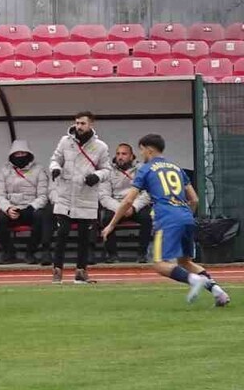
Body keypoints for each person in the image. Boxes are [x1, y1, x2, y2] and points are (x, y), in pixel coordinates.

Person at [100, 134, 230, 306]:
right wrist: (185, 216)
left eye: (142, 150)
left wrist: (111, 225)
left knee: (160, 264)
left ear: (148, 149)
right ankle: (219, 292)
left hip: (167, 218)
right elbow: (194, 199)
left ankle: (194, 280)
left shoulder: (146, 169)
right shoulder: (176, 168)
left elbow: (128, 201)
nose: (141, 154)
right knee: (185, 262)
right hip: (186, 216)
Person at [49, 111, 111, 284]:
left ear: (91, 124)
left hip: (86, 194)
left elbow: (107, 169)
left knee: (84, 237)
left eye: (83, 123)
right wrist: (55, 168)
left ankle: (81, 272)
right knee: (62, 234)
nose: (79, 126)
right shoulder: (65, 141)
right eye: (77, 123)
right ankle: (57, 270)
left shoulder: (101, 146)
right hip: (66, 194)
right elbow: (55, 159)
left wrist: (97, 176)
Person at [0, 139, 51, 264]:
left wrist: (31, 208)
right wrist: (8, 208)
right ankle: (9, 253)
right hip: (13, 209)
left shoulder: (39, 170)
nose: (20, 156)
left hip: (31, 209)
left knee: (41, 216)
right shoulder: (5, 170)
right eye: (17, 154)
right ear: (12, 155)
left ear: (28, 154)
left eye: (23, 153)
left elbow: (43, 196)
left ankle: (30, 253)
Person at [98, 143, 153, 263]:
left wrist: (133, 207)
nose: (120, 157)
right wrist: (121, 208)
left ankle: (142, 254)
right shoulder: (108, 171)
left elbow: (147, 193)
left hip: (135, 205)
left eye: (124, 154)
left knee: (147, 218)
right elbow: (104, 196)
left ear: (132, 156)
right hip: (116, 205)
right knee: (106, 218)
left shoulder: (142, 169)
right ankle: (112, 255)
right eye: (118, 154)